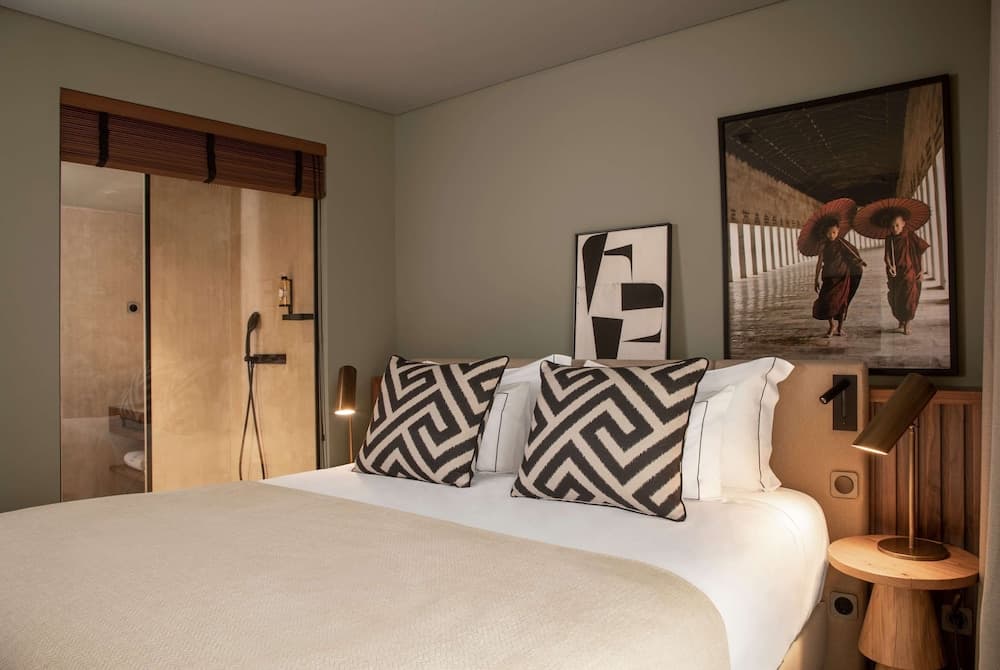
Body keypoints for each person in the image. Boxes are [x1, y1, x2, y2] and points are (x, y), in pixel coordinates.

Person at [813, 220, 866, 337]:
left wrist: (858, 262)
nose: (831, 235)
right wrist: (816, 279)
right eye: (828, 233)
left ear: (838, 231)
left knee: (842, 302)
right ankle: (832, 325)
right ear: (825, 233)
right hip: (828, 278)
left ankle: (840, 328)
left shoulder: (843, 244)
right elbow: (819, 263)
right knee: (827, 302)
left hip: (842, 278)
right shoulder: (823, 246)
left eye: (834, 232)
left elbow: (852, 256)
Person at [884, 215, 930, 335]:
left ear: (903, 223)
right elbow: (887, 256)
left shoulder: (910, 236)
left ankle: (907, 322)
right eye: (892, 226)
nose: (895, 229)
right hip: (895, 273)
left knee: (909, 297)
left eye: (897, 225)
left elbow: (920, 252)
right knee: (896, 298)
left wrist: (922, 270)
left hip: (909, 271)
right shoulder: (889, 239)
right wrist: (890, 265)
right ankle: (901, 321)